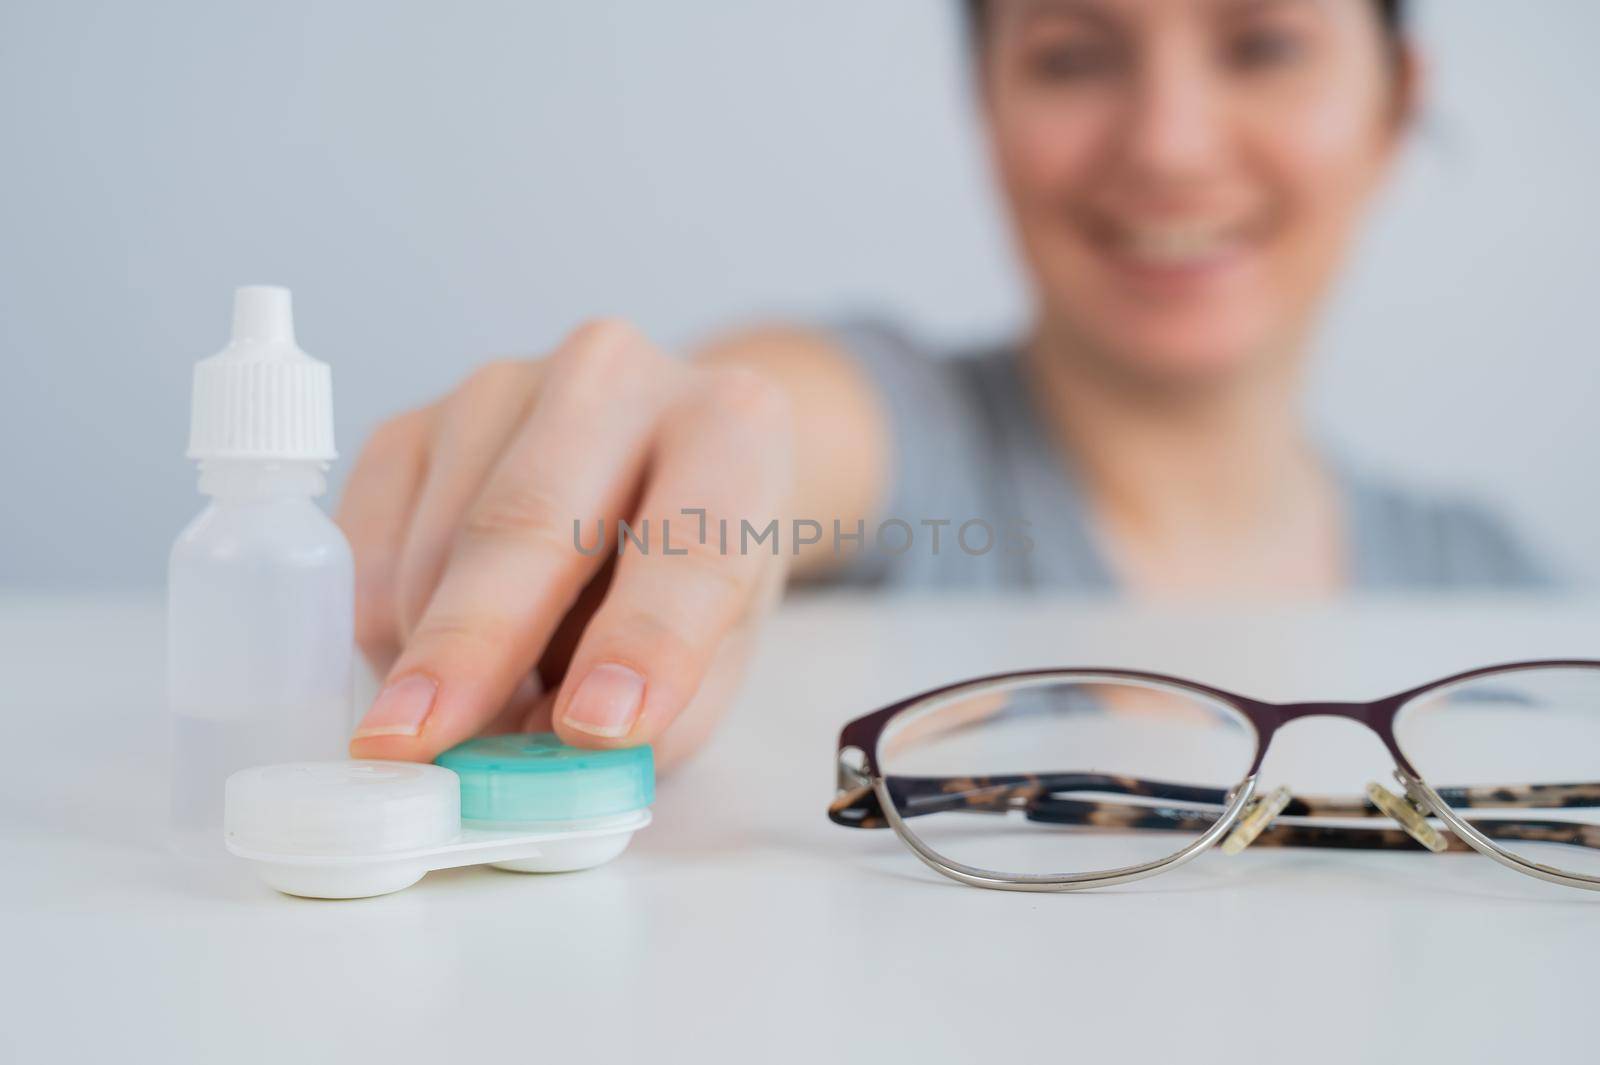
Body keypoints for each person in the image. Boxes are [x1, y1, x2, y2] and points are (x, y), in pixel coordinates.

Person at [336, 0, 1550, 771]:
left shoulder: (1500, 593)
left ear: (1396, 101)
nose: (1169, 142)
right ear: (987, 105)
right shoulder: (899, 432)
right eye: (1073, 56)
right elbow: (767, 424)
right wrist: (669, 444)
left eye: (1264, 44)